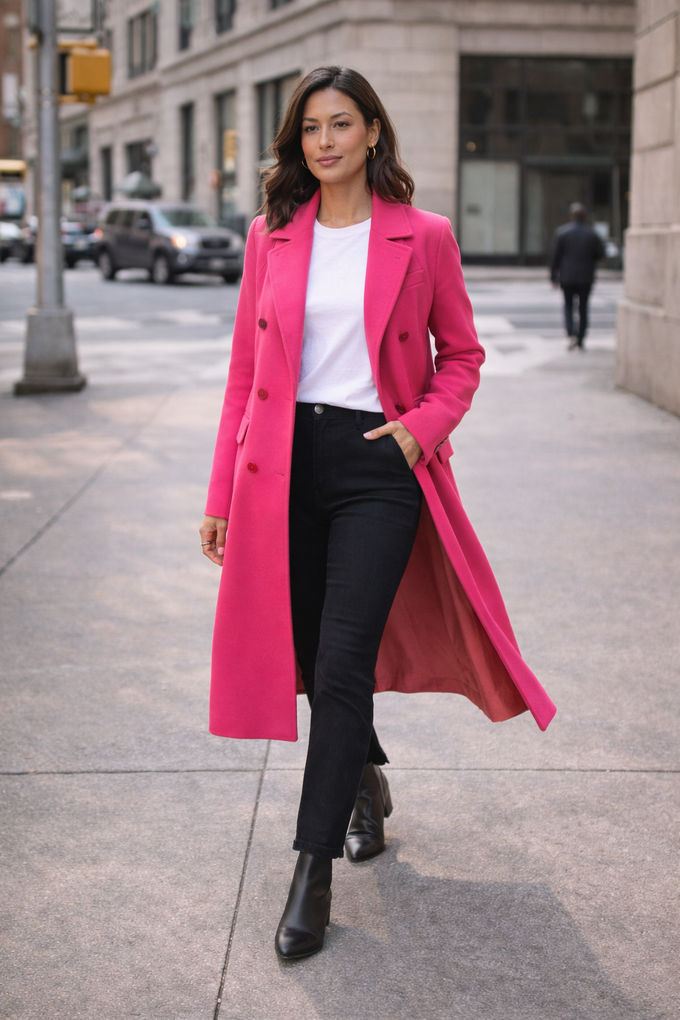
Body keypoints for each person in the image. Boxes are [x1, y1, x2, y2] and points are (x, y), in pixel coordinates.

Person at [200, 66, 556, 962]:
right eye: (311, 128)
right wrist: (219, 499)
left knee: (345, 658)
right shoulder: (270, 235)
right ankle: (362, 780)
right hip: (280, 469)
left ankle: (310, 868)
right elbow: (245, 376)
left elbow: (462, 356)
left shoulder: (422, 235)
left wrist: (418, 432)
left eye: (341, 125)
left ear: (371, 133)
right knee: (318, 661)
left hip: (379, 467)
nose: (324, 142)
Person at [550, 202, 605, 349]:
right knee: (583, 308)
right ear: (584, 216)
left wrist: (553, 276)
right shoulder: (591, 234)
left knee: (568, 306)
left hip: (567, 277)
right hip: (585, 277)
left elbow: (555, 257)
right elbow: (600, 254)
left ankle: (570, 334)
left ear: (571, 216)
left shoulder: (562, 233)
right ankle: (580, 337)